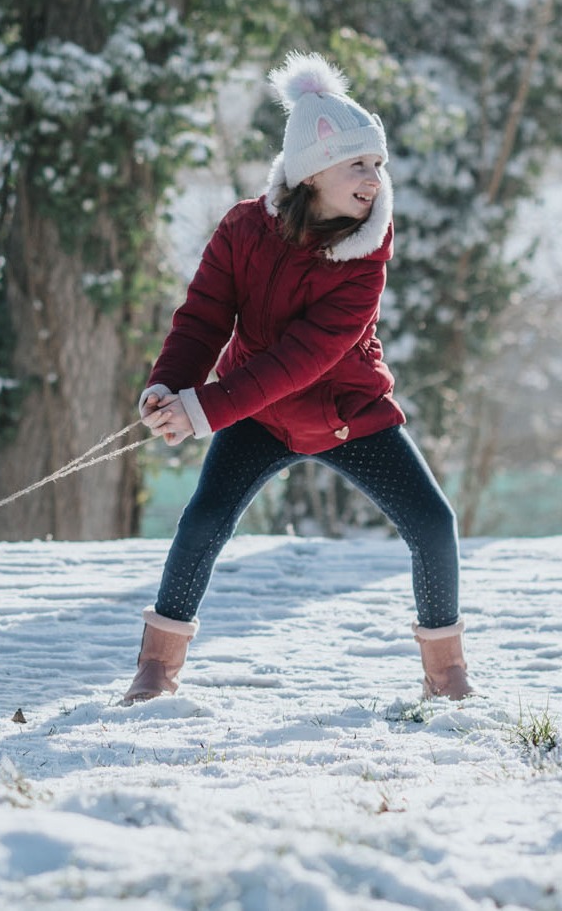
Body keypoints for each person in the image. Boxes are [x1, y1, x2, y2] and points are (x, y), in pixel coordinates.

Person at [124, 52, 473, 706]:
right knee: (202, 522)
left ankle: (446, 675)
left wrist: (207, 408)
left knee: (432, 522)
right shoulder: (240, 230)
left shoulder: (364, 256)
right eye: (357, 164)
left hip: (346, 412)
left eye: (377, 164)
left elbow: (304, 357)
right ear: (311, 173)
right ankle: (154, 671)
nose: (374, 178)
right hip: (256, 414)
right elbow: (203, 315)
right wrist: (169, 386)